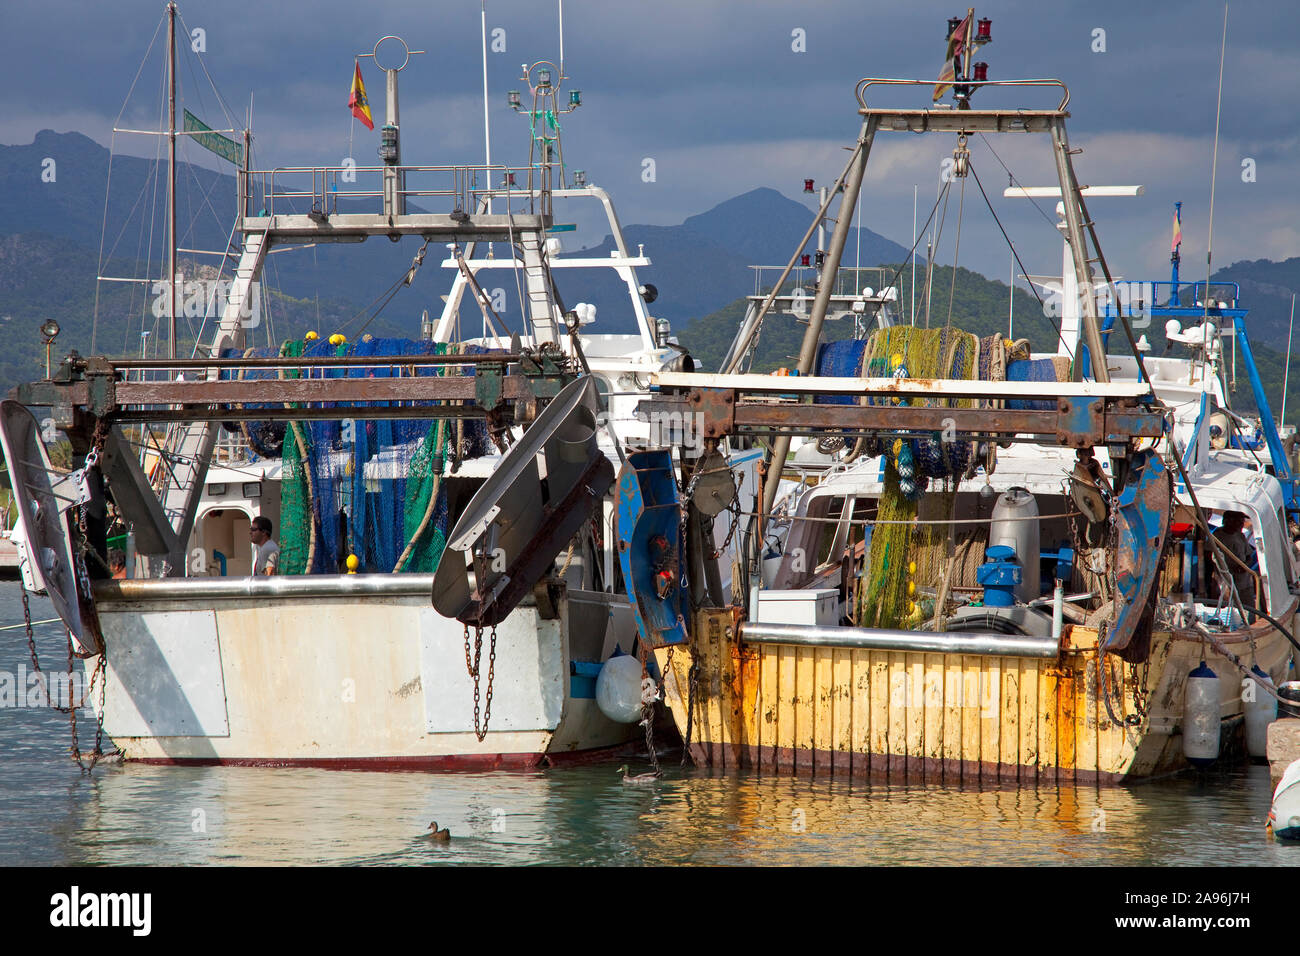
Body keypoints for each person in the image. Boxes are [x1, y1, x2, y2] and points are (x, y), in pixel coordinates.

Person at [1211, 511, 1256, 605]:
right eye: (1238, 521)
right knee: (1229, 608)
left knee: (1248, 606)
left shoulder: (1241, 536)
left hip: (1244, 581)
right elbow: (1209, 556)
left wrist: (1244, 566)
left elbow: (1249, 556)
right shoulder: (1217, 535)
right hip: (1225, 581)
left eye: (1242, 521)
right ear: (1228, 521)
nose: (1241, 524)